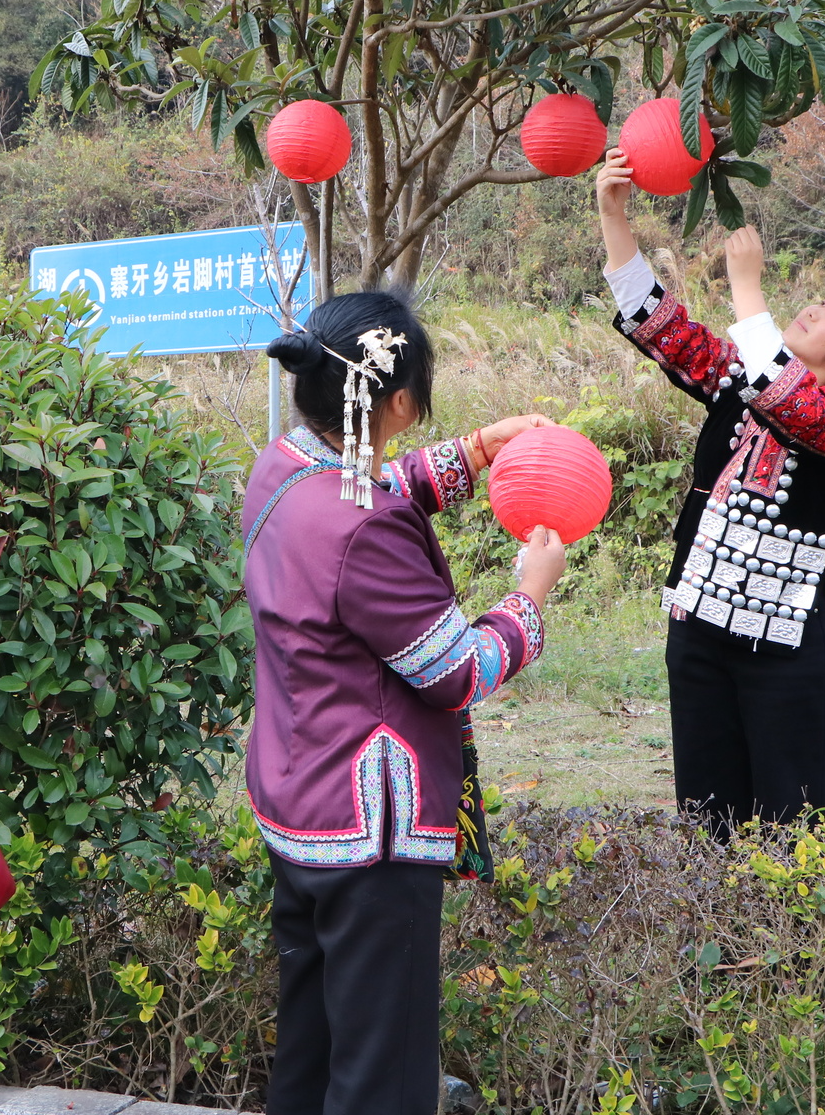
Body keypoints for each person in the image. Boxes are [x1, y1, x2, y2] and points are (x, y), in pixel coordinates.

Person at [246, 289, 567, 1115]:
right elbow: (455, 671)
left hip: (303, 806)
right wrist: (528, 599)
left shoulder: (283, 467)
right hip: (372, 838)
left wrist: (477, 452)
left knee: (314, 1052)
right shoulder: (364, 529)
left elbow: (378, 491)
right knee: (382, 1076)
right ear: (395, 402)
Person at [595, 146, 825, 837]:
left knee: (788, 824)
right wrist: (615, 217)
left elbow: (784, 395)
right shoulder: (742, 377)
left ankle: (785, 949)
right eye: (824, 300)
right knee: (706, 815)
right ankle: (713, 943)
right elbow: (663, 328)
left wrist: (747, 285)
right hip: (699, 627)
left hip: (786, 645)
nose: (813, 310)